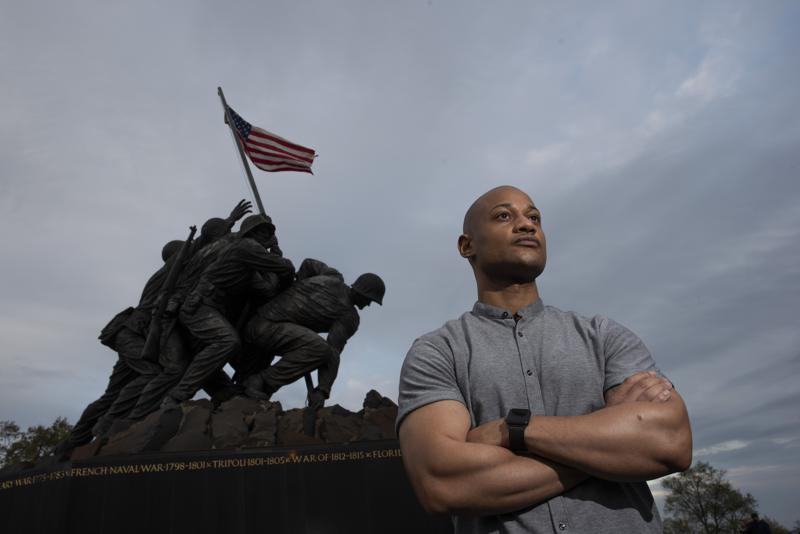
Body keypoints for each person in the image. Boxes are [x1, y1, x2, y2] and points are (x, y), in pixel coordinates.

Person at [397, 185, 692, 533]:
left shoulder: (604, 336)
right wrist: (608, 445)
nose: (526, 225)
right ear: (467, 245)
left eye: (534, 217)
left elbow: (669, 443)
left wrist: (514, 430)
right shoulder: (436, 352)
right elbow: (442, 482)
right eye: (504, 216)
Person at [159, 213, 295, 408]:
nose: (267, 235)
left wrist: (277, 262)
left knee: (214, 357)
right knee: (227, 341)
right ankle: (176, 397)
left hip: (213, 309)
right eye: (263, 231)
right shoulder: (246, 246)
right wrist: (278, 256)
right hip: (200, 306)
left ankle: (223, 395)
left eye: (269, 232)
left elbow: (267, 289)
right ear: (251, 232)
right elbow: (282, 268)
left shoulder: (249, 265)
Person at [242, 258, 384, 408]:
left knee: (314, 346)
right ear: (362, 293)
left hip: (262, 323)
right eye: (370, 300)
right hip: (266, 329)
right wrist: (323, 390)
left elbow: (308, 264)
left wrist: (299, 287)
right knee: (319, 348)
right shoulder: (349, 316)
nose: (368, 305)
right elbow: (332, 352)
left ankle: (257, 391)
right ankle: (262, 381)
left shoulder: (332, 276)